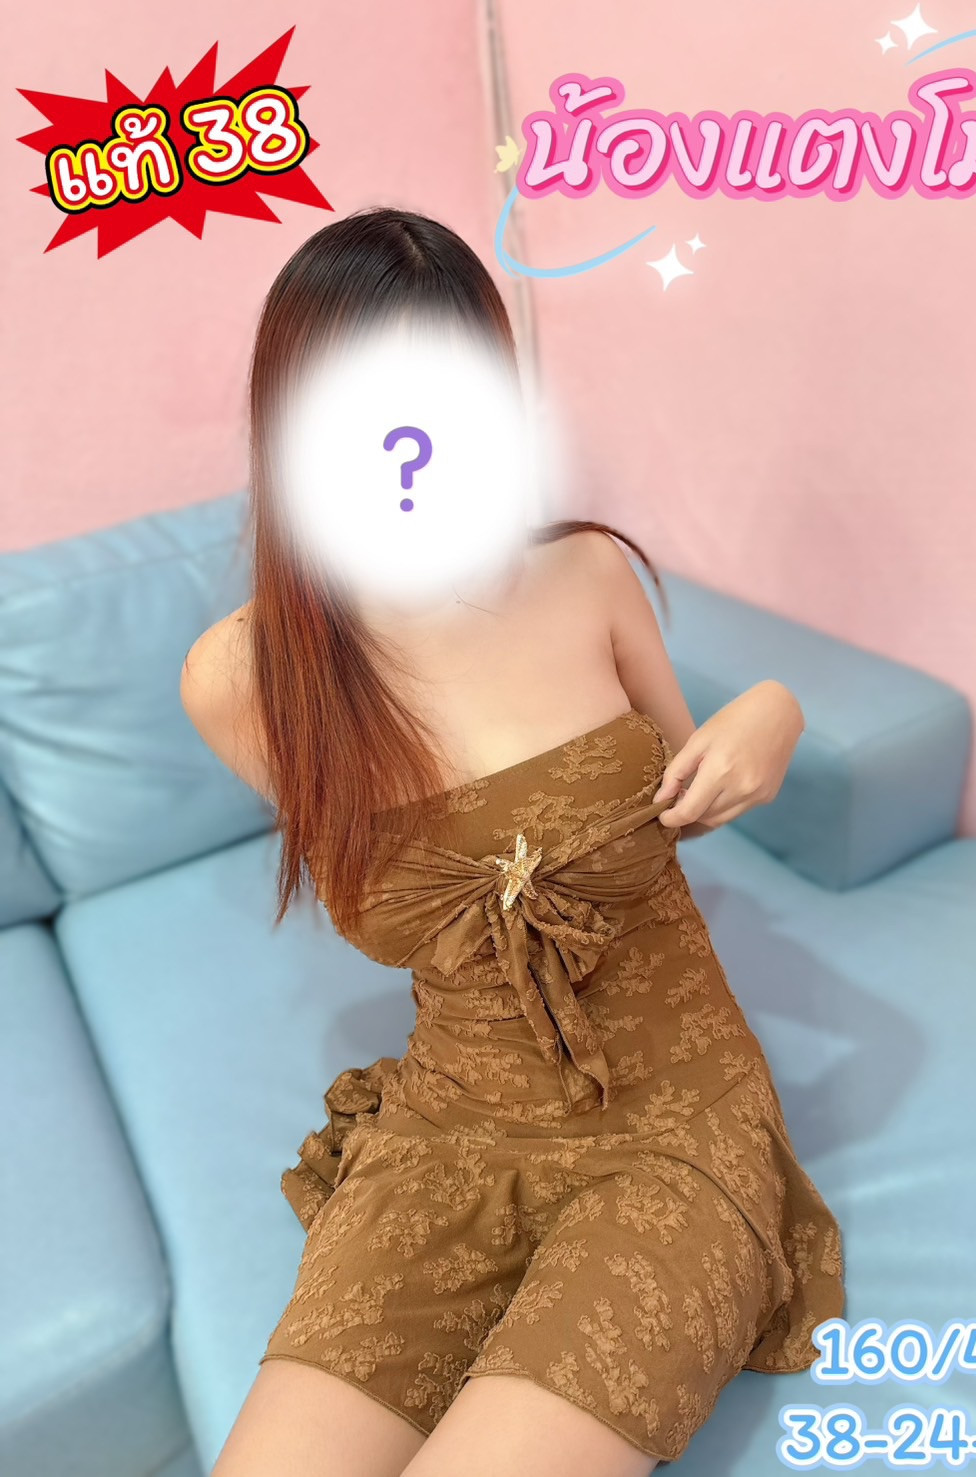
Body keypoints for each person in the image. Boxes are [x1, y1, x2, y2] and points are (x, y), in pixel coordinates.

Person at [181, 206, 845, 1477]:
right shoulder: (247, 679)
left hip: (673, 1120)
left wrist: (775, 710)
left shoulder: (586, 574)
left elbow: (682, 798)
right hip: (449, 1127)